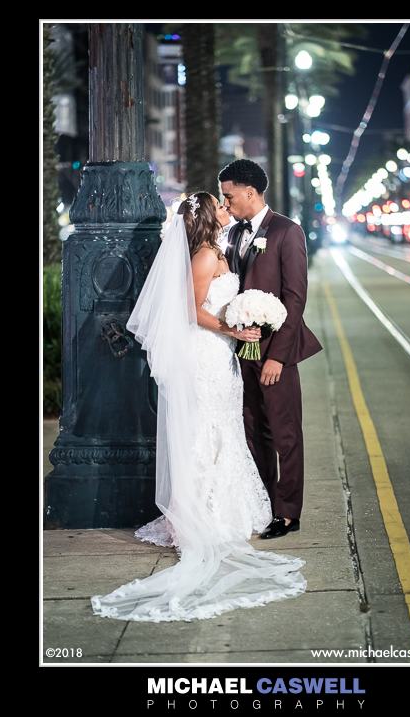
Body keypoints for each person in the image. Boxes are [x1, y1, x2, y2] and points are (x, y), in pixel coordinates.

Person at [91, 192, 306, 622]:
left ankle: (222, 507)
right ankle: (200, 513)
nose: (227, 208)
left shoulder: (219, 252)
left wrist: (242, 323)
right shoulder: (204, 258)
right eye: (221, 205)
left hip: (219, 353)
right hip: (205, 351)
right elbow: (191, 310)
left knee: (222, 424)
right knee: (205, 426)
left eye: (228, 201)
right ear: (209, 217)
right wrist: (231, 327)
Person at [220, 159, 323, 540]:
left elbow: (295, 298)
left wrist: (277, 356)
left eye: (228, 195)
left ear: (250, 192)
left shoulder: (286, 231)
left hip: (274, 351)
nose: (225, 203)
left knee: (284, 433)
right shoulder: (231, 234)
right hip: (239, 351)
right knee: (252, 431)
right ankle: (263, 504)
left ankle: (288, 513)